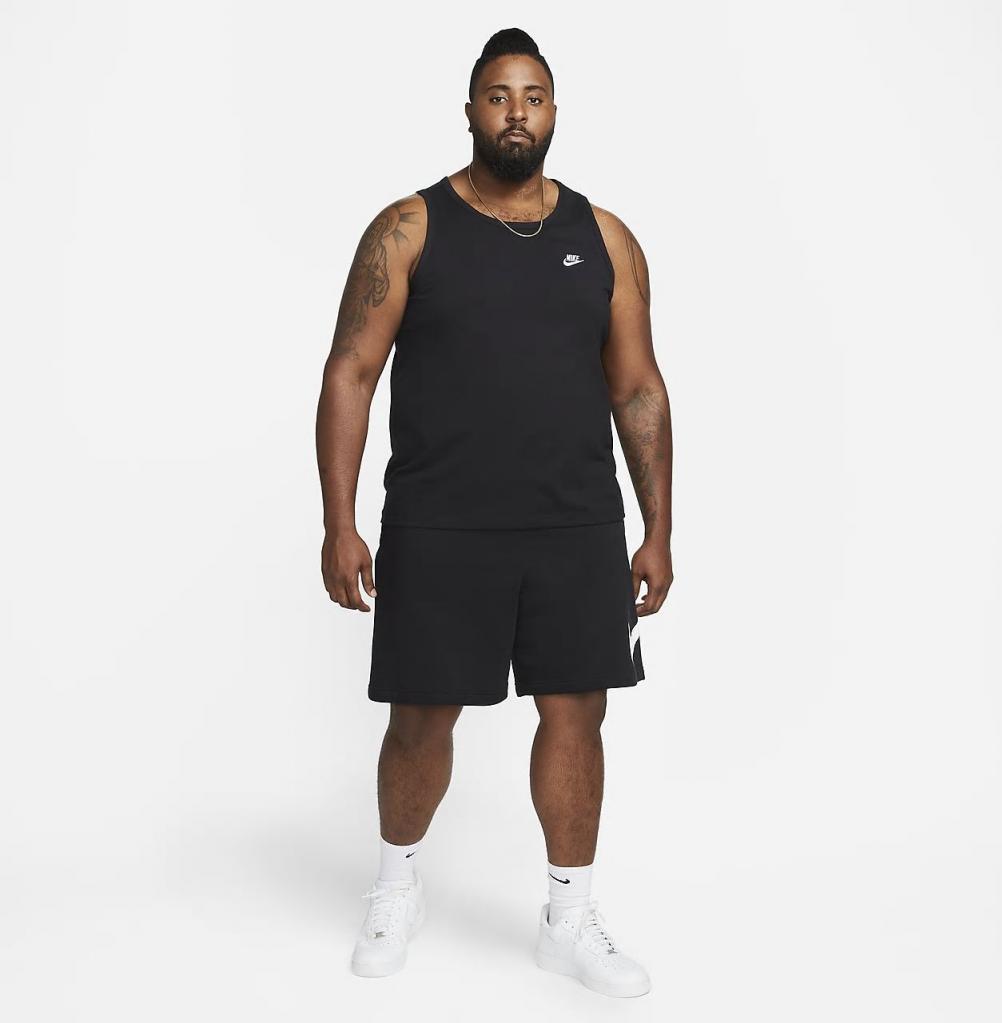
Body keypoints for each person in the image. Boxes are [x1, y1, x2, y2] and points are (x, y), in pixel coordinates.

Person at [315, 27, 673, 999]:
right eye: (499, 95)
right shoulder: (409, 228)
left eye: (534, 96)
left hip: (574, 523)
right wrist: (340, 521)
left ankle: (568, 916)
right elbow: (351, 371)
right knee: (421, 718)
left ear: (554, 112)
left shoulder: (605, 237)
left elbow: (637, 385)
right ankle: (396, 888)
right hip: (440, 521)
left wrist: (658, 527)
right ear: (471, 110)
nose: (517, 112)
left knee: (578, 713)